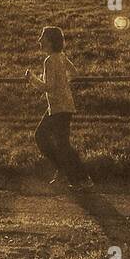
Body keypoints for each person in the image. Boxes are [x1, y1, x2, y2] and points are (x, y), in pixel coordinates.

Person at [25, 25, 92, 188]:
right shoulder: (61, 56)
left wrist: (32, 79)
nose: (39, 40)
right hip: (62, 106)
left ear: (49, 41)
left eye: (42, 37)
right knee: (51, 139)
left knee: (54, 142)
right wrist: (64, 84)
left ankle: (80, 179)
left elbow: (49, 87)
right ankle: (73, 175)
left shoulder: (49, 60)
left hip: (58, 108)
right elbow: (74, 73)